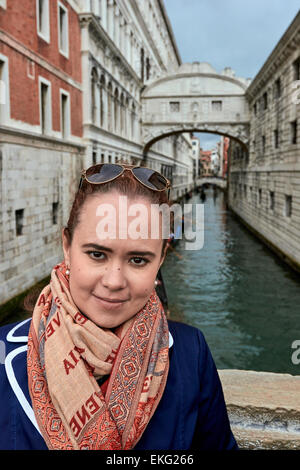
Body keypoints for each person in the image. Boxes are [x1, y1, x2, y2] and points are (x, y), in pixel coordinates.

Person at [0, 162, 238, 450]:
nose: (114, 281)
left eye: (138, 260)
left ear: (161, 259)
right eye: (97, 254)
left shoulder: (192, 352)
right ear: (67, 246)